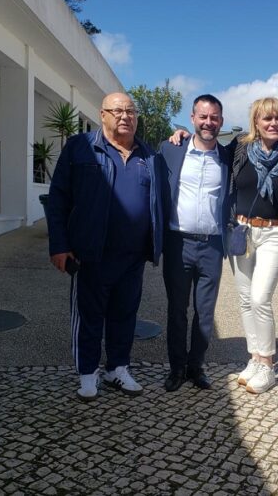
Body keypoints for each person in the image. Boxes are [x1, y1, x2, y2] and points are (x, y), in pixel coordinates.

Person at [46, 92, 163, 402]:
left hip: (133, 257)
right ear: (103, 115)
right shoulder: (81, 147)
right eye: (117, 111)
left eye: (131, 111)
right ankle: (87, 373)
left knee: (125, 315)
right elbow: (58, 198)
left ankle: (117, 368)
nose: (125, 116)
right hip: (91, 254)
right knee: (89, 316)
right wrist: (59, 244)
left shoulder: (149, 156)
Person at [227, 98, 278, 393]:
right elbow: (207, 146)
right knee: (245, 299)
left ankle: (268, 365)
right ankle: (255, 358)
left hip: (275, 233)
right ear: (256, 123)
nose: (273, 123)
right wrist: (181, 136)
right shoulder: (240, 148)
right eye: (267, 118)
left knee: (260, 298)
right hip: (242, 231)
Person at [158, 94, 232, 392]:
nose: (208, 122)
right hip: (178, 244)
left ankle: (196, 366)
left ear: (221, 121)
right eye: (203, 116)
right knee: (177, 310)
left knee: (205, 313)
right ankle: (176, 368)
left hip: (212, 246)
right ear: (192, 119)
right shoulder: (171, 150)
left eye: (214, 117)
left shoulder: (228, 156)